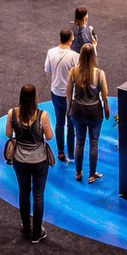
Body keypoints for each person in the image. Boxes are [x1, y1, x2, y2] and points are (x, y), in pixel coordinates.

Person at [5, 84, 55, 243]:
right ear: (35, 97)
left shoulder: (12, 113)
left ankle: (25, 226)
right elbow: (49, 137)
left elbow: (8, 134)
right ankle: (36, 232)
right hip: (39, 160)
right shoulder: (43, 115)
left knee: (24, 192)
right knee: (38, 194)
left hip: (20, 160)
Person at [67, 43, 110, 183]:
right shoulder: (99, 73)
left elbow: (68, 93)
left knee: (79, 141)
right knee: (94, 142)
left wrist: (69, 108)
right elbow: (105, 94)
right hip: (95, 112)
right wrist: (107, 109)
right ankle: (92, 174)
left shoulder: (73, 72)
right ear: (93, 56)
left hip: (78, 111)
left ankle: (78, 172)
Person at [44, 29, 80, 164]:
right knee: (71, 124)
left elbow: (48, 70)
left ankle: (60, 152)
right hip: (69, 96)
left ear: (60, 38)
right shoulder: (74, 56)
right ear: (70, 40)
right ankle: (71, 153)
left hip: (55, 93)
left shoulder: (50, 52)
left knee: (59, 122)